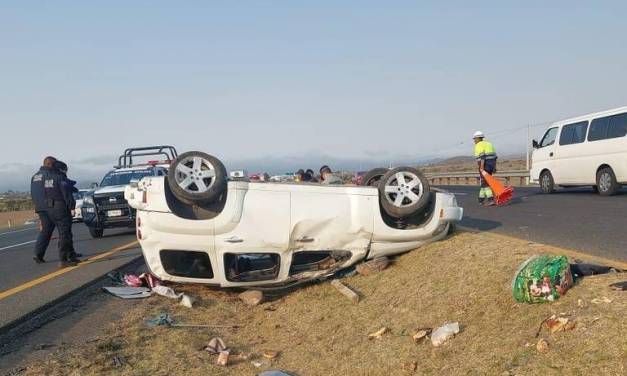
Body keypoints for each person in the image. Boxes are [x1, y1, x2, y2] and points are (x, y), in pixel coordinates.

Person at [30, 157, 78, 267]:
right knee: (64, 232)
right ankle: (65, 258)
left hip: (41, 207)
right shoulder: (52, 175)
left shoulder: (34, 177)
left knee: (46, 231)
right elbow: (63, 192)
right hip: (55, 206)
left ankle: (38, 254)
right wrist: (71, 206)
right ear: (51, 164)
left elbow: (33, 193)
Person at [54, 160, 82, 259]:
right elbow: (67, 194)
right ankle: (64, 258)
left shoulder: (49, 178)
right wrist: (72, 207)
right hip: (62, 208)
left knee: (65, 233)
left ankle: (70, 253)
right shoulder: (60, 178)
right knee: (65, 234)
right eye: (65, 170)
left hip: (52, 209)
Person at [473, 131, 497, 206]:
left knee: (485, 183)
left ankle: (491, 200)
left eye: (475, 139)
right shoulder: (489, 144)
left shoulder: (478, 145)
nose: (474, 140)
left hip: (484, 164)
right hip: (491, 164)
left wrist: (482, 167)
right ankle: (480, 200)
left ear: (478, 138)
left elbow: (482, 156)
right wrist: (494, 167)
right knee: (484, 183)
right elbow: (495, 157)